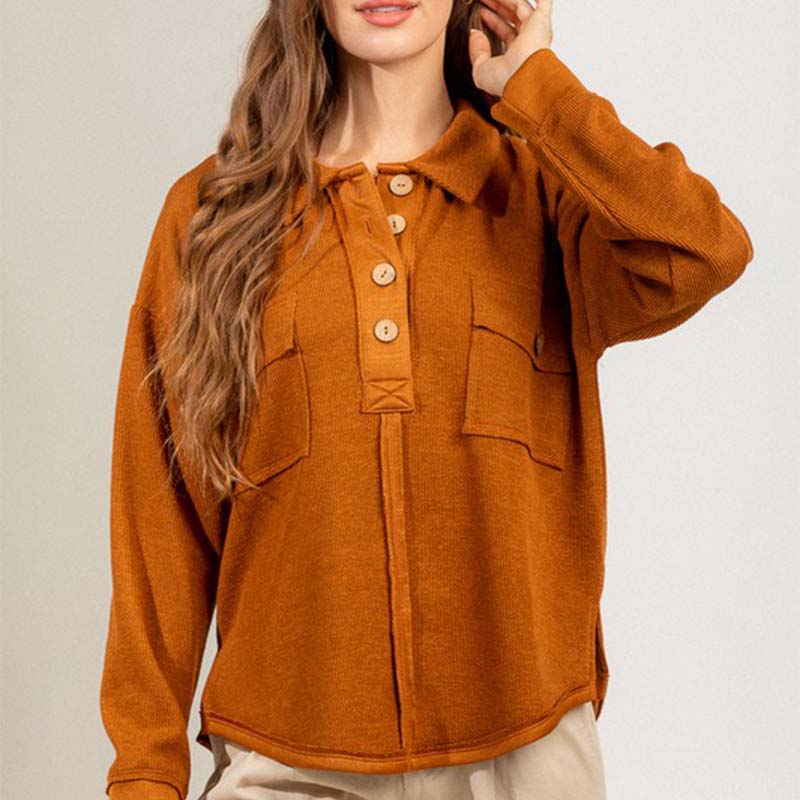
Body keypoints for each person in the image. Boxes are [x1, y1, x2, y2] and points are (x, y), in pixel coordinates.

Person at [99, 0, 754, 798]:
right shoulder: (211, 217)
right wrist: (144, 775)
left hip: (522, 754)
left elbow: (702, 251)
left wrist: (538, 88)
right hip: (287, 757)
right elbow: (159, 522)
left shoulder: (545, 197)